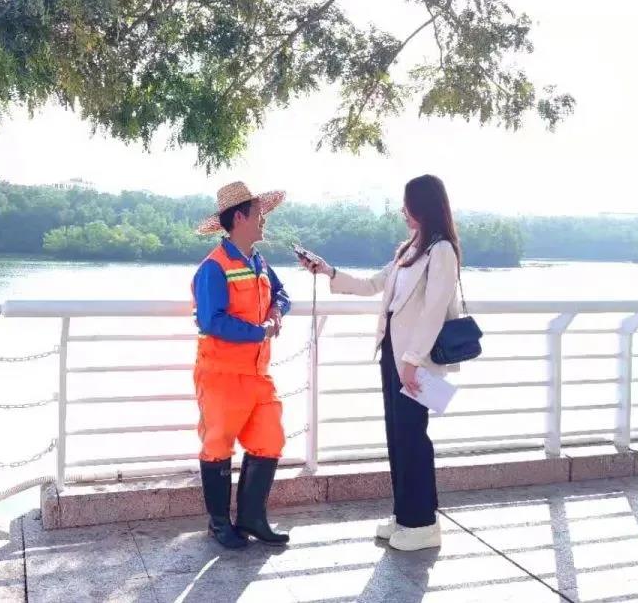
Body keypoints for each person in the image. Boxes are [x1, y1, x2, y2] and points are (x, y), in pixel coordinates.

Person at [298, 174, 464, 551]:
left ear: (423, 205)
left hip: (414, 359)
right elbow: (372, 285)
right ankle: (405, 515)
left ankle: (423, 524)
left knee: (412, 437)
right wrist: (327, 271)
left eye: (408, 204)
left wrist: (412, 360)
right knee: (397, 435)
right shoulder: (409, 249)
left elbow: (434, 310)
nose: (403, 210)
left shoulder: (442, 251)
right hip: (392, 353)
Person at [191, 181, 292, 549]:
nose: (264, 220)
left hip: (258, 373)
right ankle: (219, 524)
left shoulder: (258, 262)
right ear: (239, 219)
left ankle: (252, 518)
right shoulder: (213, 267)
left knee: (270, 439)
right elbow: (211, 321)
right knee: (217, 445)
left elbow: (282, 293)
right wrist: (259, 331)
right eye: (258, 214)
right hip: (221, 374)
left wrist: (276, 312)